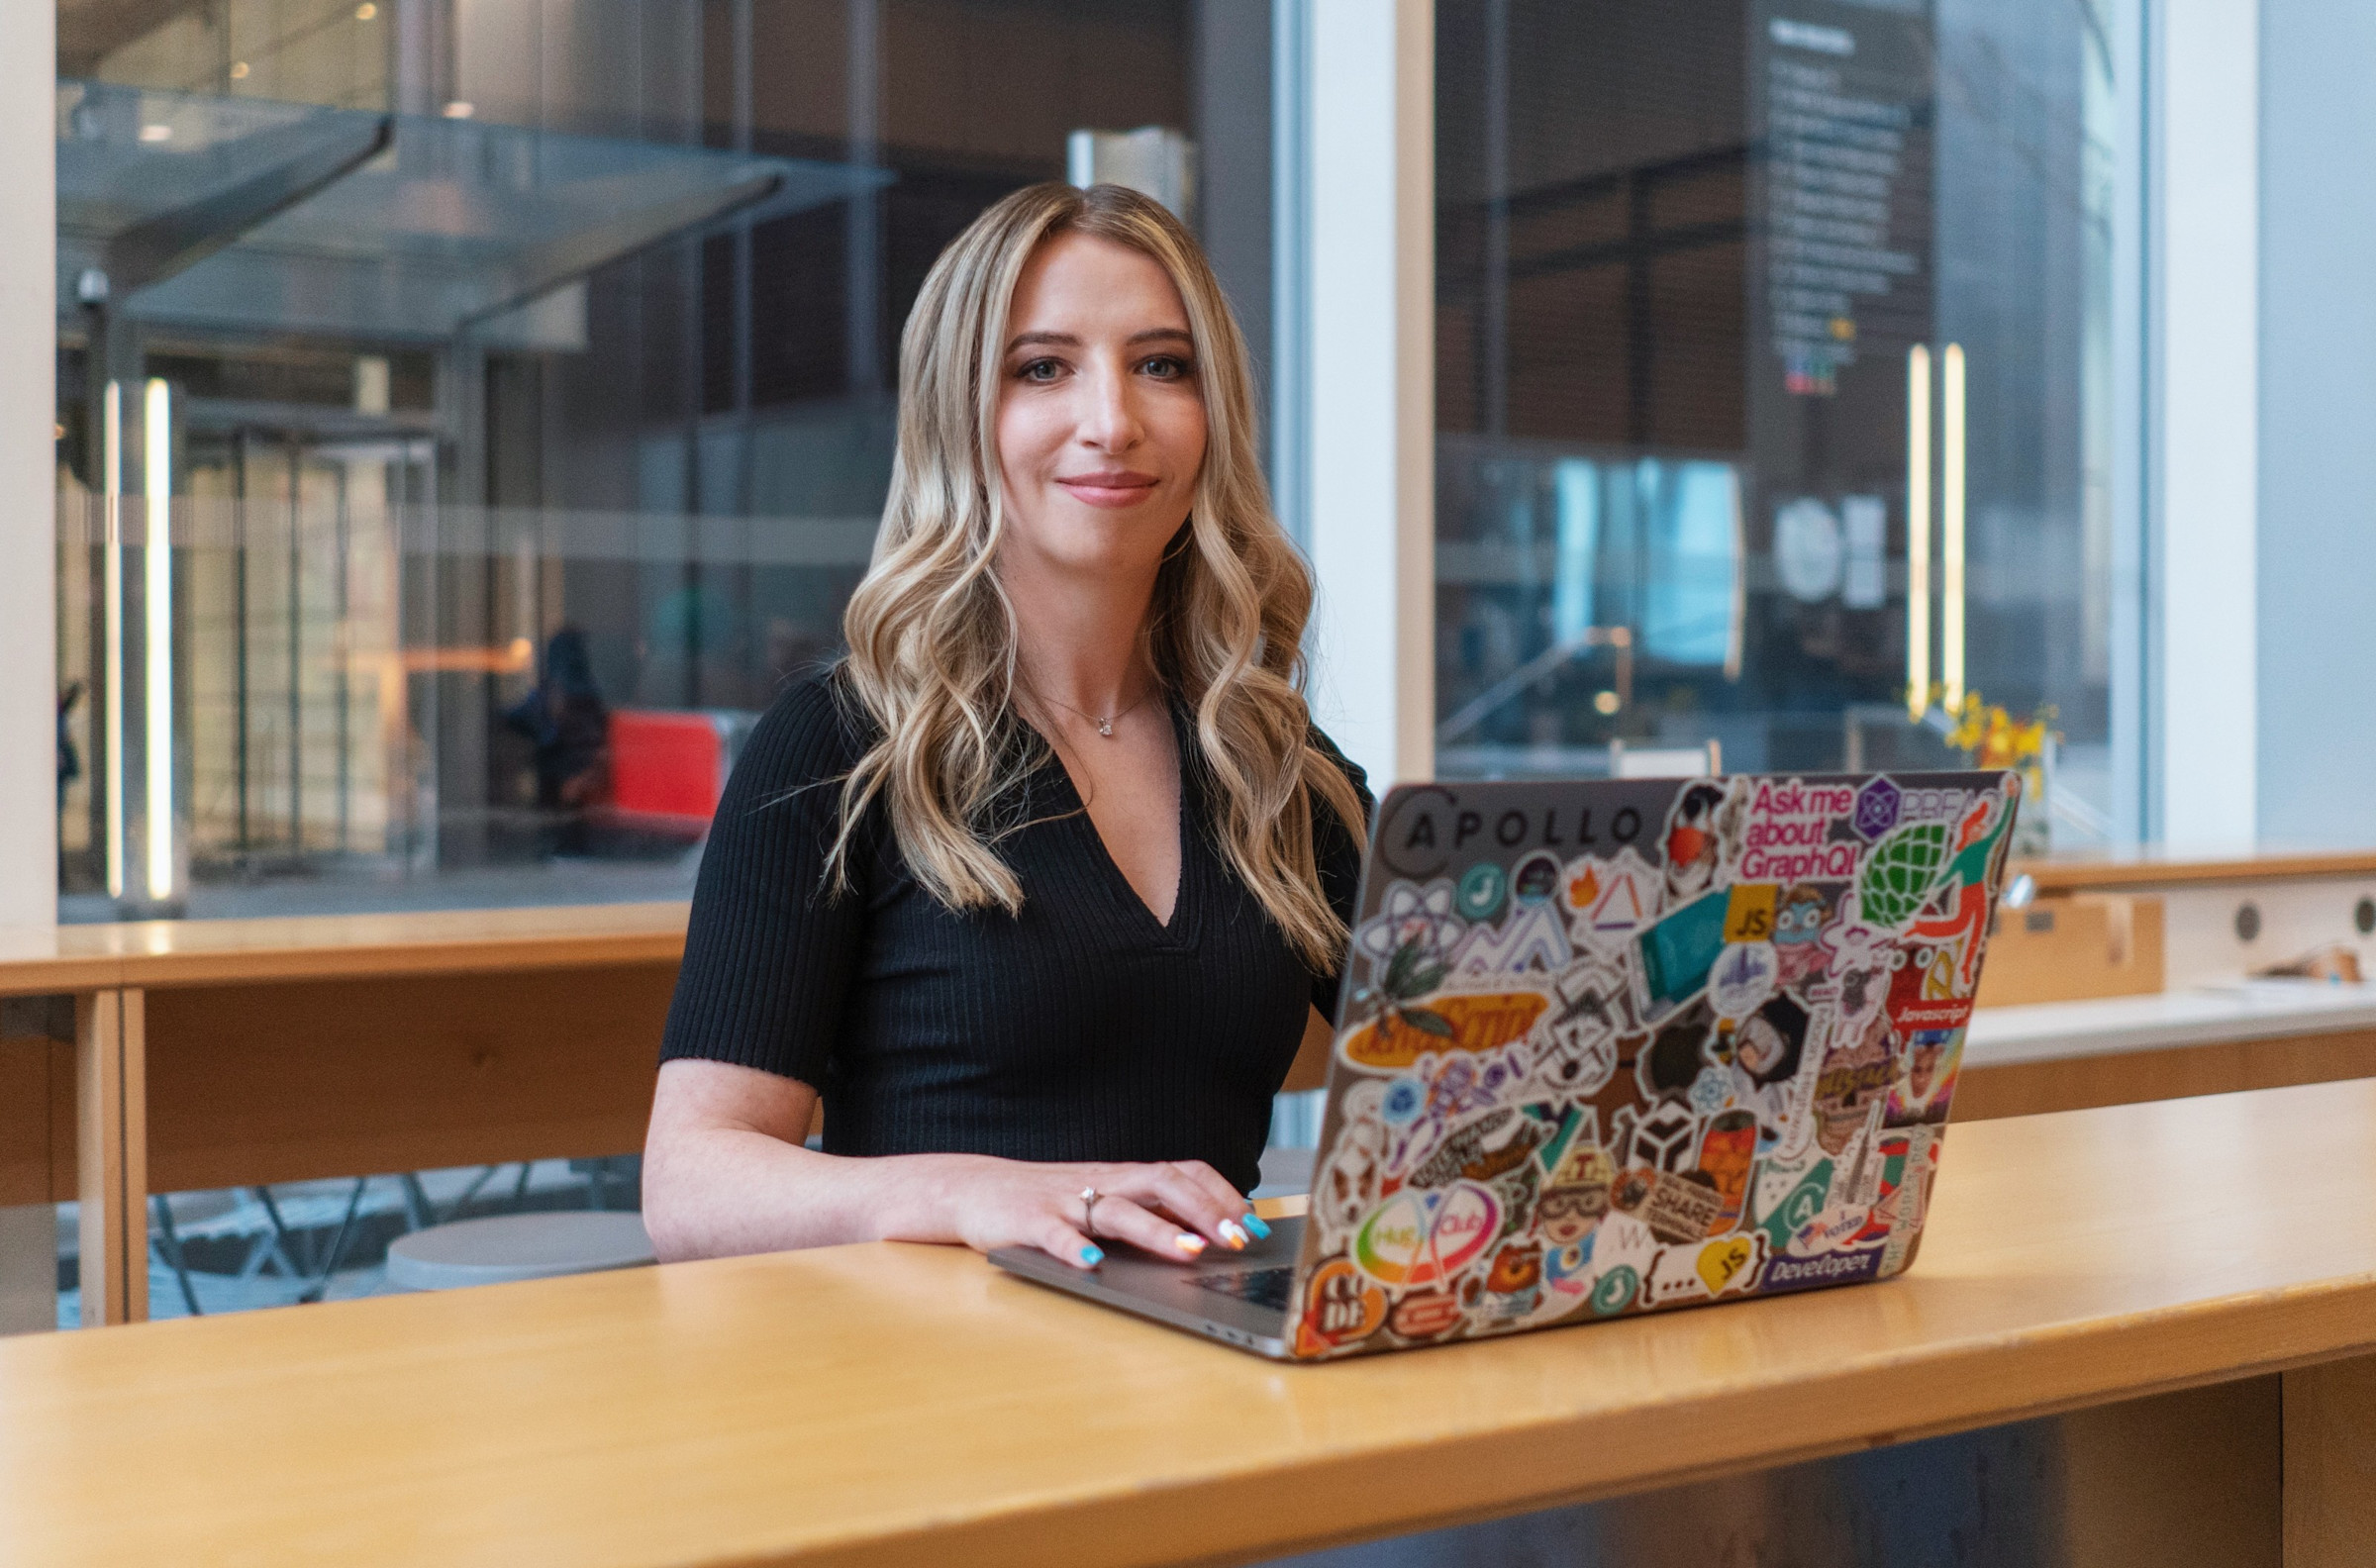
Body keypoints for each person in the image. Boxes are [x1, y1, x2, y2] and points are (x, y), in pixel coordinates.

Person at [643, 183, 1371, 1272]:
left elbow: (1481, 1054)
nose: (1112, 421)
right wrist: (979, 1192)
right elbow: (691, 1181)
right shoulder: (840, 745)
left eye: (1162, 366)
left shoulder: (1276, 764)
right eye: (1042, 368)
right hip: (941, 1389)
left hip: (1216, 1380)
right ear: (959, 414)